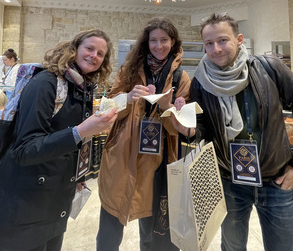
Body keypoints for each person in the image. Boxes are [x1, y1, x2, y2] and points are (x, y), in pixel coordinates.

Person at [183, 13, 293, 251]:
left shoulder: (269, 68)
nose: (216, 49)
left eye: (223, 40)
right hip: (230, 182)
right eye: (209, 43)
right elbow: (202, 128)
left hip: (277, 180)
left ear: (239, 39)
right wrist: (185, 126)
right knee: (232, 247)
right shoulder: (201, 81)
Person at [0, 29, 118, 251]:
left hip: (55, 200)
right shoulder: (46, 83)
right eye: (90, 48)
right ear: (74, 49)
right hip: (25, 204)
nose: (94, 56)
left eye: (101, 54)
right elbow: (25, 149)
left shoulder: (82, 87)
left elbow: (67, 144)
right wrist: (81, 131)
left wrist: (77, 174)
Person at [96, 17, 191, 251]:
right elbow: (105, 110)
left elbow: (184, 129)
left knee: (154, 228)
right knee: (110, 224)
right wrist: (127, 99)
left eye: (164, 40)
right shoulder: (128, 71)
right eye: (153, 40)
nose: (159, 46)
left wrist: (168, 107)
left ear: (173, 42)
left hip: (158, 160)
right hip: (123, 153)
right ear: (146, 43)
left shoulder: (181, 78)